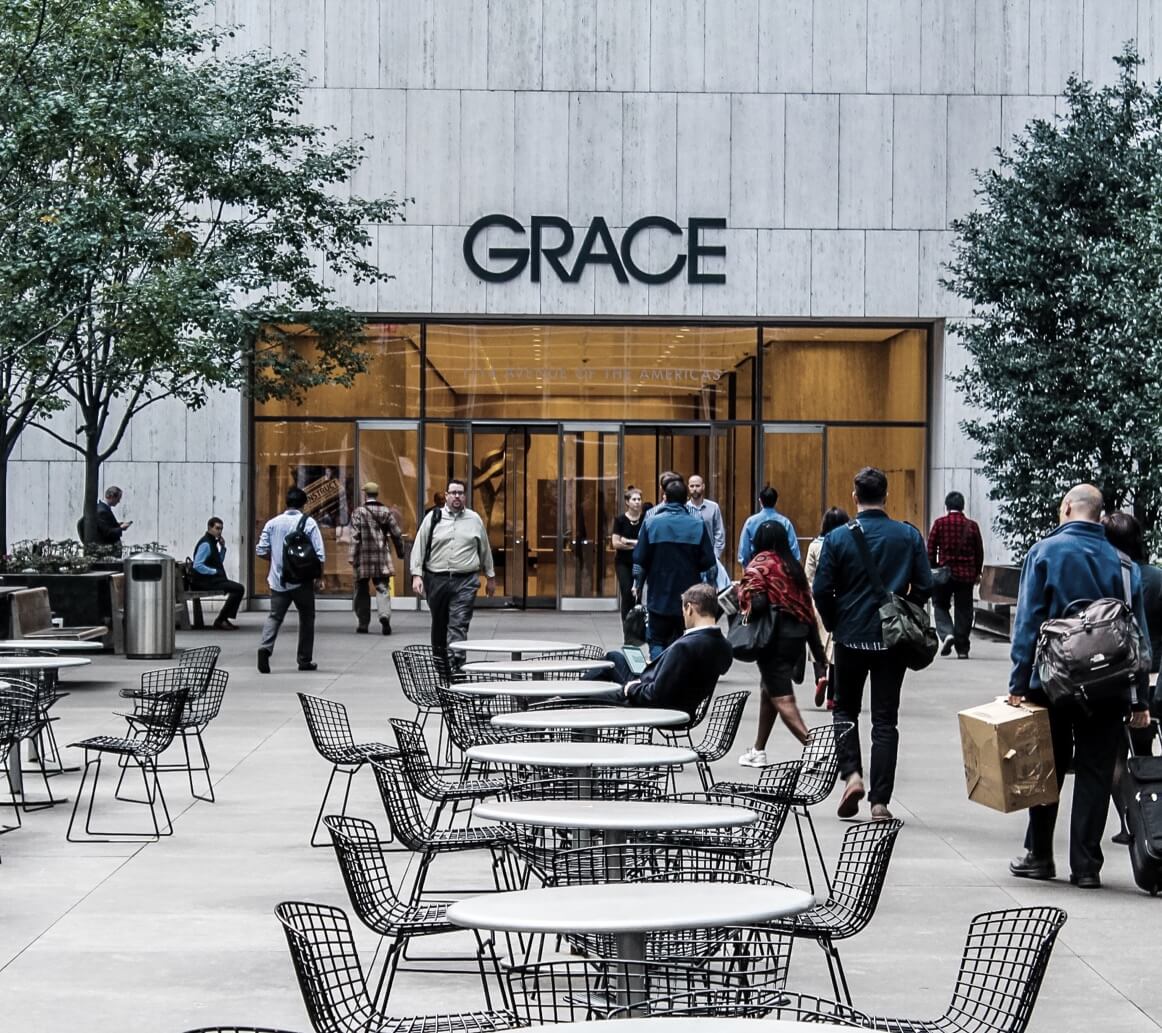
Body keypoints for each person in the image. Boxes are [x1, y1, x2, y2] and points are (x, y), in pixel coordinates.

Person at [1007, 485, 1152, 888]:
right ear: (1100, 515)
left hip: (1051, 682)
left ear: (1067, 507)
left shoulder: (1044, 553)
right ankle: (1086, 866)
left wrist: (1019, 682)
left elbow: (1028, 623)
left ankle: (1039, 856)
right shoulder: (1124, 564)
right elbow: (1138, 638)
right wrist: (1139, 699)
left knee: (1045, 768)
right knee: (1095, 772)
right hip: (1109, 684)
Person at [812, 467, 932, 821]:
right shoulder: (908, 536)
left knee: (844, 710)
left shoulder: (837, 538)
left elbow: (821, 589)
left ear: (855, 496)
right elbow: (925, 585)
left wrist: (834, 622)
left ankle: (852, 775)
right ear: (886, 495)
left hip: (850, 636)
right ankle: (880, 801)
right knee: (885, 720)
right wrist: (903, 607)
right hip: (892, 640)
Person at [737, 521, 827, 767]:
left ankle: (813, 747)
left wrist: (742, 596)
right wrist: (819, 658)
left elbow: (758, 604)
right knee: (769, 689)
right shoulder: (793, 568)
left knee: (782, 697)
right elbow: (808, 612)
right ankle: (758, 750)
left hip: (773, 639)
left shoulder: (759, 565)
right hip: (797, 637)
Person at [1101, 511, 1162, 845]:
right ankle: (1151, 820)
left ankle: (1129, 823)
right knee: (1145, 754)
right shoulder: (1155, 578)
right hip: (1152, 680)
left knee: (1115, 757)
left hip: (1113, 680)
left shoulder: (1105, 576)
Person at [588, 583, 733, 718]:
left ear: (689, 608)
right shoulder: (723, 646)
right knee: (613, 657)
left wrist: (631, 688)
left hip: (655, 705)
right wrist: (658, 665)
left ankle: (575, 700)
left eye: (683, 611)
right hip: (680, 703)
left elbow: (655, 695)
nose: (683, 616)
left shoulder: (685, 647)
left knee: (584, 697)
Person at [410, 477, 496, 665]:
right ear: (446, 495)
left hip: (465, 581)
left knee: (459, 623)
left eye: (460, 493)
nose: (457, 496)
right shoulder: (433, 518)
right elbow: (419, 546)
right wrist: (417, 575)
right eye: (453, 493)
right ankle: (442, 665)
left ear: (465, 496)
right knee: (440, 625)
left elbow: (485, 549)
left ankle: (456, 665)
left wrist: (490, 577)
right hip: (437, 580)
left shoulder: (474, 520)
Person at [632, 476, 716, 658]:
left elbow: (639, 561)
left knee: (656, 640)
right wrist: (710, 590)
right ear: (686, 498)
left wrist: (638, 586)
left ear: (665, 497)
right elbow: (710, 565)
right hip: (689, 599)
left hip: (658, 596)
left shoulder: (651, 523)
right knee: (685, 641)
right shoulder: (697, 524)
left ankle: (659, 670)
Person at [255, 486, 325, 674]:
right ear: (304, 504)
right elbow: (319, 554)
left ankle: (265, 648)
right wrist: (319, 577)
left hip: (278, 581)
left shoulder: (272, 523)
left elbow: (260, 550)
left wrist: (276, 560)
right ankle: (304, 659)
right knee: (307, 618)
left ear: (286, 503)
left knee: (275, 616)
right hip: (302, 581)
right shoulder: (309, 523)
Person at [927, 491, 984, 659]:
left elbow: (930, 549)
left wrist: (933, 568)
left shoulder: (939, 524)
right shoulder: (972, 526)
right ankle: (962, 649)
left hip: (944, 574)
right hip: (966, 575)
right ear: (962, 506)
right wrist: (977, 572)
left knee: (940, 604)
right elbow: (979, 551)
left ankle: (947, 634)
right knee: (964, 610)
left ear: (947, 506)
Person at [804, 507, 850, 709]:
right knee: (835, 648)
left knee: (817, 643)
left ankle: (820, 676)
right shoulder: (847, 544)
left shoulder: (815, 545)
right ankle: (832, 697)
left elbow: (808, 576)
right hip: (841, 600)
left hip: (818, 600)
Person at [349, 481, 405, 636]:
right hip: (381, 556)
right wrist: (400, 552)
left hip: (363, 556)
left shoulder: (359, 512)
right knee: (383, 588)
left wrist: (352, 556)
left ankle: (363, 623)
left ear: (365, 494)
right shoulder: (386, 511)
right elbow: (396, 533)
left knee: (361, 589)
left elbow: (355, 536)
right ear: (377, 494)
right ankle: (384, 615)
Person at [189, 516, 246, 631]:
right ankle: (221, 620)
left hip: (212, 580)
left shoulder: (212, 542)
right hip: (205, 582)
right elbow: (197, 565)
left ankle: (223, 619)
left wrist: (223, 548)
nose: (219, 531)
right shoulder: (206, 544)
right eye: (217, 528)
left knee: (238, 589)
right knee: (238, 589)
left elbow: (218, 561)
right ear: (210, 528)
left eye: (221, 529)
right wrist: (214, 571)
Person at [738, 485, 800, 566]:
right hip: (780, 568)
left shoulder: (750, 522)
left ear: (760, 501)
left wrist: (749, 567)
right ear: (776, 501)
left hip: (757, 566)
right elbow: (794, 551)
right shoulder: (785, 522)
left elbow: (744, 551)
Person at [611, 486, 645, 621]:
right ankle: (627, 624)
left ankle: (638, 625)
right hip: (623, 562)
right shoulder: (620, 520)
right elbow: (616, 543)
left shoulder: (645, 519)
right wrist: (637, 545)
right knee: (627, 592)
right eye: (634, 499)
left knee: (639, 594)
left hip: (641, 562)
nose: (637, 502)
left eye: (639, 499)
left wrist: (628, 541)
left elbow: (646, 542)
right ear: (627, 502)